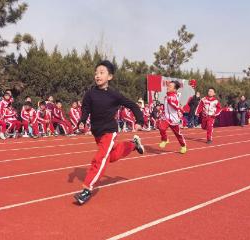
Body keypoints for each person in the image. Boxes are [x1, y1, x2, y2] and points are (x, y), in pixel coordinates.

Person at [74, 60, 144, 205]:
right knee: (111, 156)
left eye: (101, 73)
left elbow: (132, 105)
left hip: (109, 131)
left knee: (100, 158)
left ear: (110, 76)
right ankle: (132, 145)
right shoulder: (90, 94)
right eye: (96, 73)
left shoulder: (114, 95)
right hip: (97, 132)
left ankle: (87, 189)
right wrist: (81, 121)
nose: (97, 75)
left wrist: (139, 120)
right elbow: (85, 109)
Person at [158, 81, 187, 154]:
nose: (168, 87)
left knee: (178, 134)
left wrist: (170, 101)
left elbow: (175, 105)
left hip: (174, 119)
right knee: (161, 128)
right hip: (166, 118)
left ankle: (183, 146)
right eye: (168, 86)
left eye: (170, 86)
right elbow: (166, 107)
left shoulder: (173, 97)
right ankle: (165, 140)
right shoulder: (167, 96)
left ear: (174, 90)